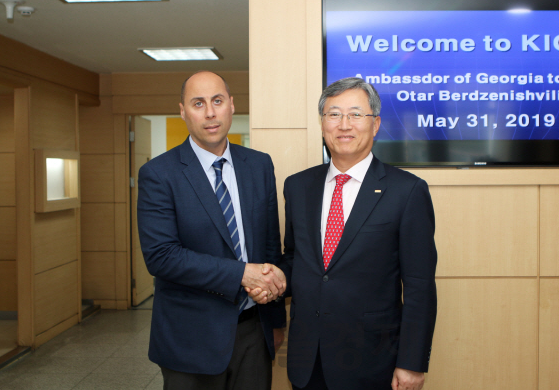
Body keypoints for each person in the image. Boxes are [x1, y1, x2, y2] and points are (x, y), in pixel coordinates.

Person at [264, 77, 437, 390]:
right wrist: (273, 278)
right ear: (322, 124)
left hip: (372, 360)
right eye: (333, 114)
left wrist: (412, 363)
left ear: (375, 124)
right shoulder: (298, 186)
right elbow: (297, 259)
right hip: (308, 359)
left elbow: (419, 286)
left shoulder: (407, 191)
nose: (344, 124)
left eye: (356, 114)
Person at [137, 71, 287, 390]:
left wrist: (274, 320)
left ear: (231, 106)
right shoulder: (159, 174)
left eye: (217, 101)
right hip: (190, 338)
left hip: (252, 333)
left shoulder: (259, 165)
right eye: (198, 103)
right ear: (182, 111)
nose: (209, 112)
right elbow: (161, 257)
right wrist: (242, 274)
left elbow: (269, 248)